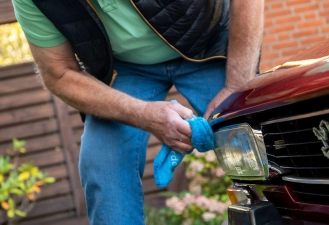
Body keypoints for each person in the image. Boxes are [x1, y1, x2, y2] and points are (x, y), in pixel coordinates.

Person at [12, 0, 264, 224]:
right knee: (102, 158)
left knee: (259, 139)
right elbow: (59, 74)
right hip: (128, 66)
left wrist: (236, 85)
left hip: (208, 43)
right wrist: (142, 113)